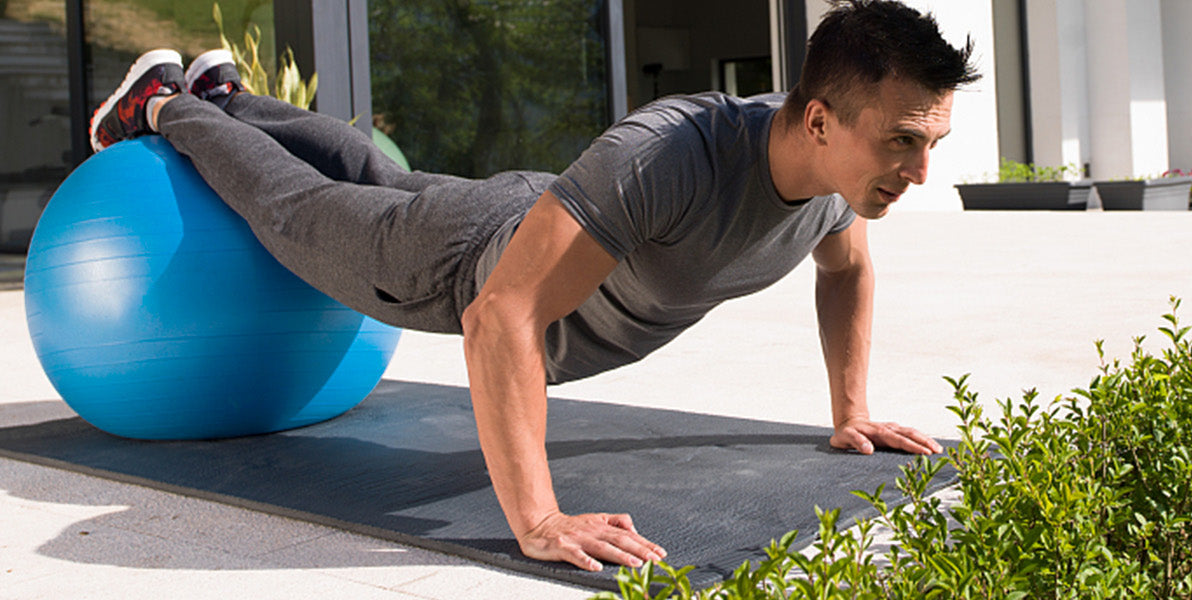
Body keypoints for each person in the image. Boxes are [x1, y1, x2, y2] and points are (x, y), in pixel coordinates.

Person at [87, 0, 978, 573]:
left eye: (930, 141)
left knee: (370, 168)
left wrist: (850, 408)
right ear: (819, 120)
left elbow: (847, 265)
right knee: (299, 209)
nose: (923, 169)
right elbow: (499, 315)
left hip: (539, 214)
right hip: (460, 262)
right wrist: (539, 518)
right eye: (905, 140)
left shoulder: (834, 185)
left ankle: (228, 94)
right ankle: (161, 106)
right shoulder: (672, 158)